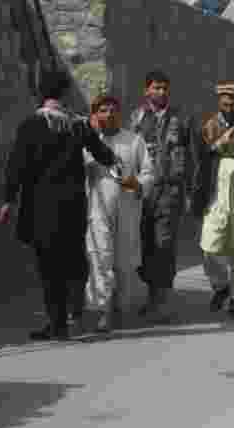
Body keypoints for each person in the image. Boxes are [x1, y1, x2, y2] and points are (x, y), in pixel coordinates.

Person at [0, 70, 118, 340]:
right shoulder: (78, 124)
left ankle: (58, 324)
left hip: (41, 208)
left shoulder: (32, 124)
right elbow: (103, 153)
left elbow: (17, 165)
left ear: (42, 93)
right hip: (73, 206)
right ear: (64, 94)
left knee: (49, 267)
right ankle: (74, 311)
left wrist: (8, 200)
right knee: (73, 259)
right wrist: (115, 164)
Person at [84, 94, 156, 333]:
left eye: (113, 109)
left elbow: (149, 173)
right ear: (96, 114)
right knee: (100, 256)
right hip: (97, 208)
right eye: (103, 110)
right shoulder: (88, 142)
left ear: (120, 113)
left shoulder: (134, 141)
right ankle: (102, 311)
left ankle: (122, 305)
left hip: (127, 208)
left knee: (125, 261)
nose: (109, 114)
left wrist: (137, 183)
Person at [129, 69, 192, 322]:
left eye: (165, 88)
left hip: (170, 189)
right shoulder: (137, 118)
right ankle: (151, 294)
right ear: (147, 90)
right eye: (156, 87)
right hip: (143, 191)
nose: (161, 92)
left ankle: (161, 299)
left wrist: (188, 191)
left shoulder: (181, 118)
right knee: (145, 244)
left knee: (164, 244)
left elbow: (191, 157)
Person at [192, 81, 234, 319]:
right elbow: (200, 157)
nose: (229, 102)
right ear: (219, 100)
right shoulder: (209, 125)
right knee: (210, 244)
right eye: (225, 98)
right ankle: (220, 285)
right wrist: (218, 145)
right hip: (216, 186)